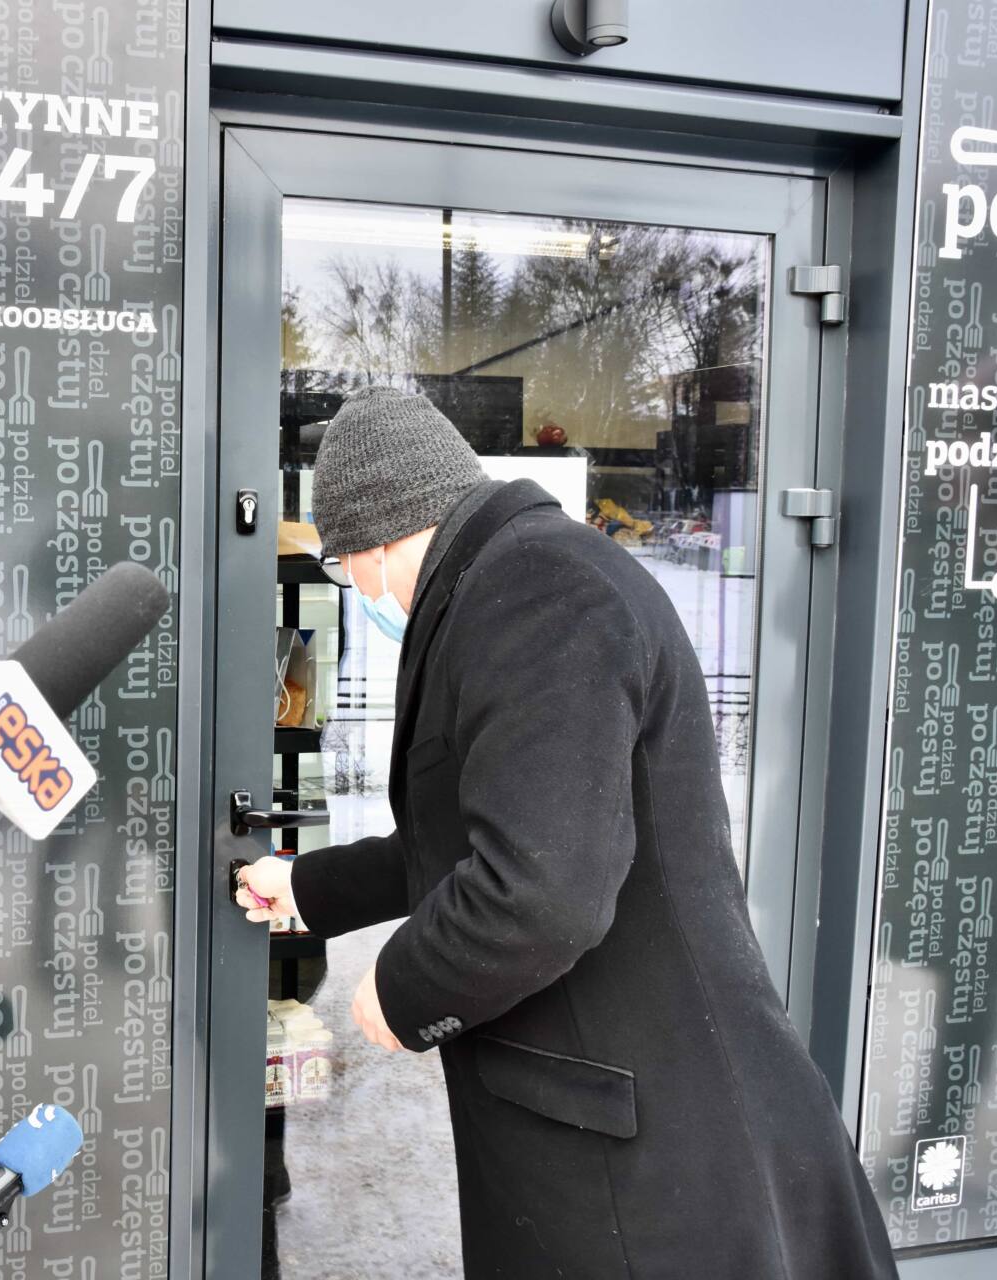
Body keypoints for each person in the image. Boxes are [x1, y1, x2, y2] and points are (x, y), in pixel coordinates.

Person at [236, 386, 896, 1278]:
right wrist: (307, 888)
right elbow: (467, 832)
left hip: (647, 1150)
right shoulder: (506, 582)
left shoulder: (541, 591)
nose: (350, 586)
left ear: (383, 535)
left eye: (341, 561)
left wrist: (400, 987)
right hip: (611, 1116)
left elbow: (539, 888)